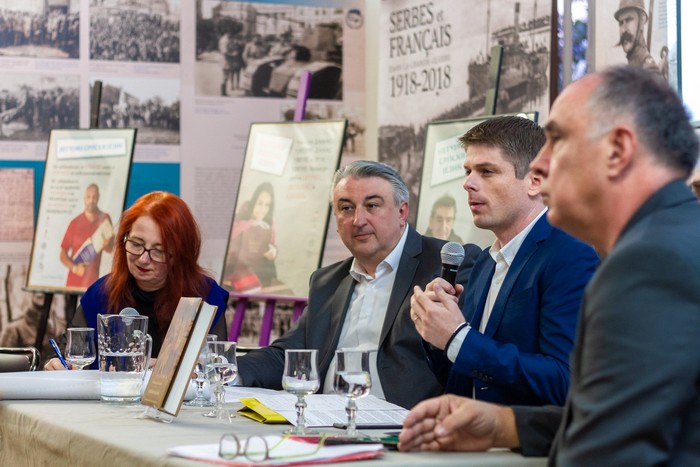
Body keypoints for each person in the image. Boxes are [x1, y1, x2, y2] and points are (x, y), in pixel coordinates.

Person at [399, 66, 700, 465]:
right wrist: (505, 424)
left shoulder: (650, 259)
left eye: (556, 139)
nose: (539, 165)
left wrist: (458, 338)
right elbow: (614, 416)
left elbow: (615, 451)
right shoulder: (665, 240)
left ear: (617, 150)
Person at [236, 161, 481, 409]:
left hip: (402, 425)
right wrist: (227, 371)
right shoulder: (327, 281)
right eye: (346, 208)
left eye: (372, 206)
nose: (358, 220)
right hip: (324, 419)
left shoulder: (443, 266)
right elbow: (287, 354)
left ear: (402, 212)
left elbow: (461, 357)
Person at [411, 116, 598, 407]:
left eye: (486, 171)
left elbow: (564, 381)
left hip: (526, 446)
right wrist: (437, 332)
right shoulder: (485, 262)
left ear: (535, 181)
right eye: (467, 171)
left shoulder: (571, 255)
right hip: (468, 440)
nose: (468, 184)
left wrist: (458, 337)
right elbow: (462, 378)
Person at [45, 191, 230, 370]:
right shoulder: (101, 293)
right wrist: (55, 363)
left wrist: (162, 371)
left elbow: (214, 370)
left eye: (158, 250)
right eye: (136, 244)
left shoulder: (204, 297)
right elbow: (66, 352)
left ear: (180, 254)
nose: (143, 259)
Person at [224, 181, 279, 291]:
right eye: (260, 203)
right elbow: (230, 236)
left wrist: (274, 251)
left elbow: (273, 244)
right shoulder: (244, 211)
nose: (263, 209)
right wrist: (251, 223)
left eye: (267, 205)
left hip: (261, 269)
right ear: (254, 201)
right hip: (239, 267)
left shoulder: (270, 221)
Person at [59, 183, 115, 289]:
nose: (91, 200)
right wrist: (75, 268)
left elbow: (111, 249)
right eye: (88, 197)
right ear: (84, 198)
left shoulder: (105, 219)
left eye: (94, 197)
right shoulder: (74, 223)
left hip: (93, 283)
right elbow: (62, 254)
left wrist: (107, 245)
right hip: (73, 283)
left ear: (98, 198)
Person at [615, 0, 661, 74]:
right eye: (621, 23)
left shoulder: (650, 72)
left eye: (628, 20)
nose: (623, 30)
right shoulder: (630, 70)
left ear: (642, 20)